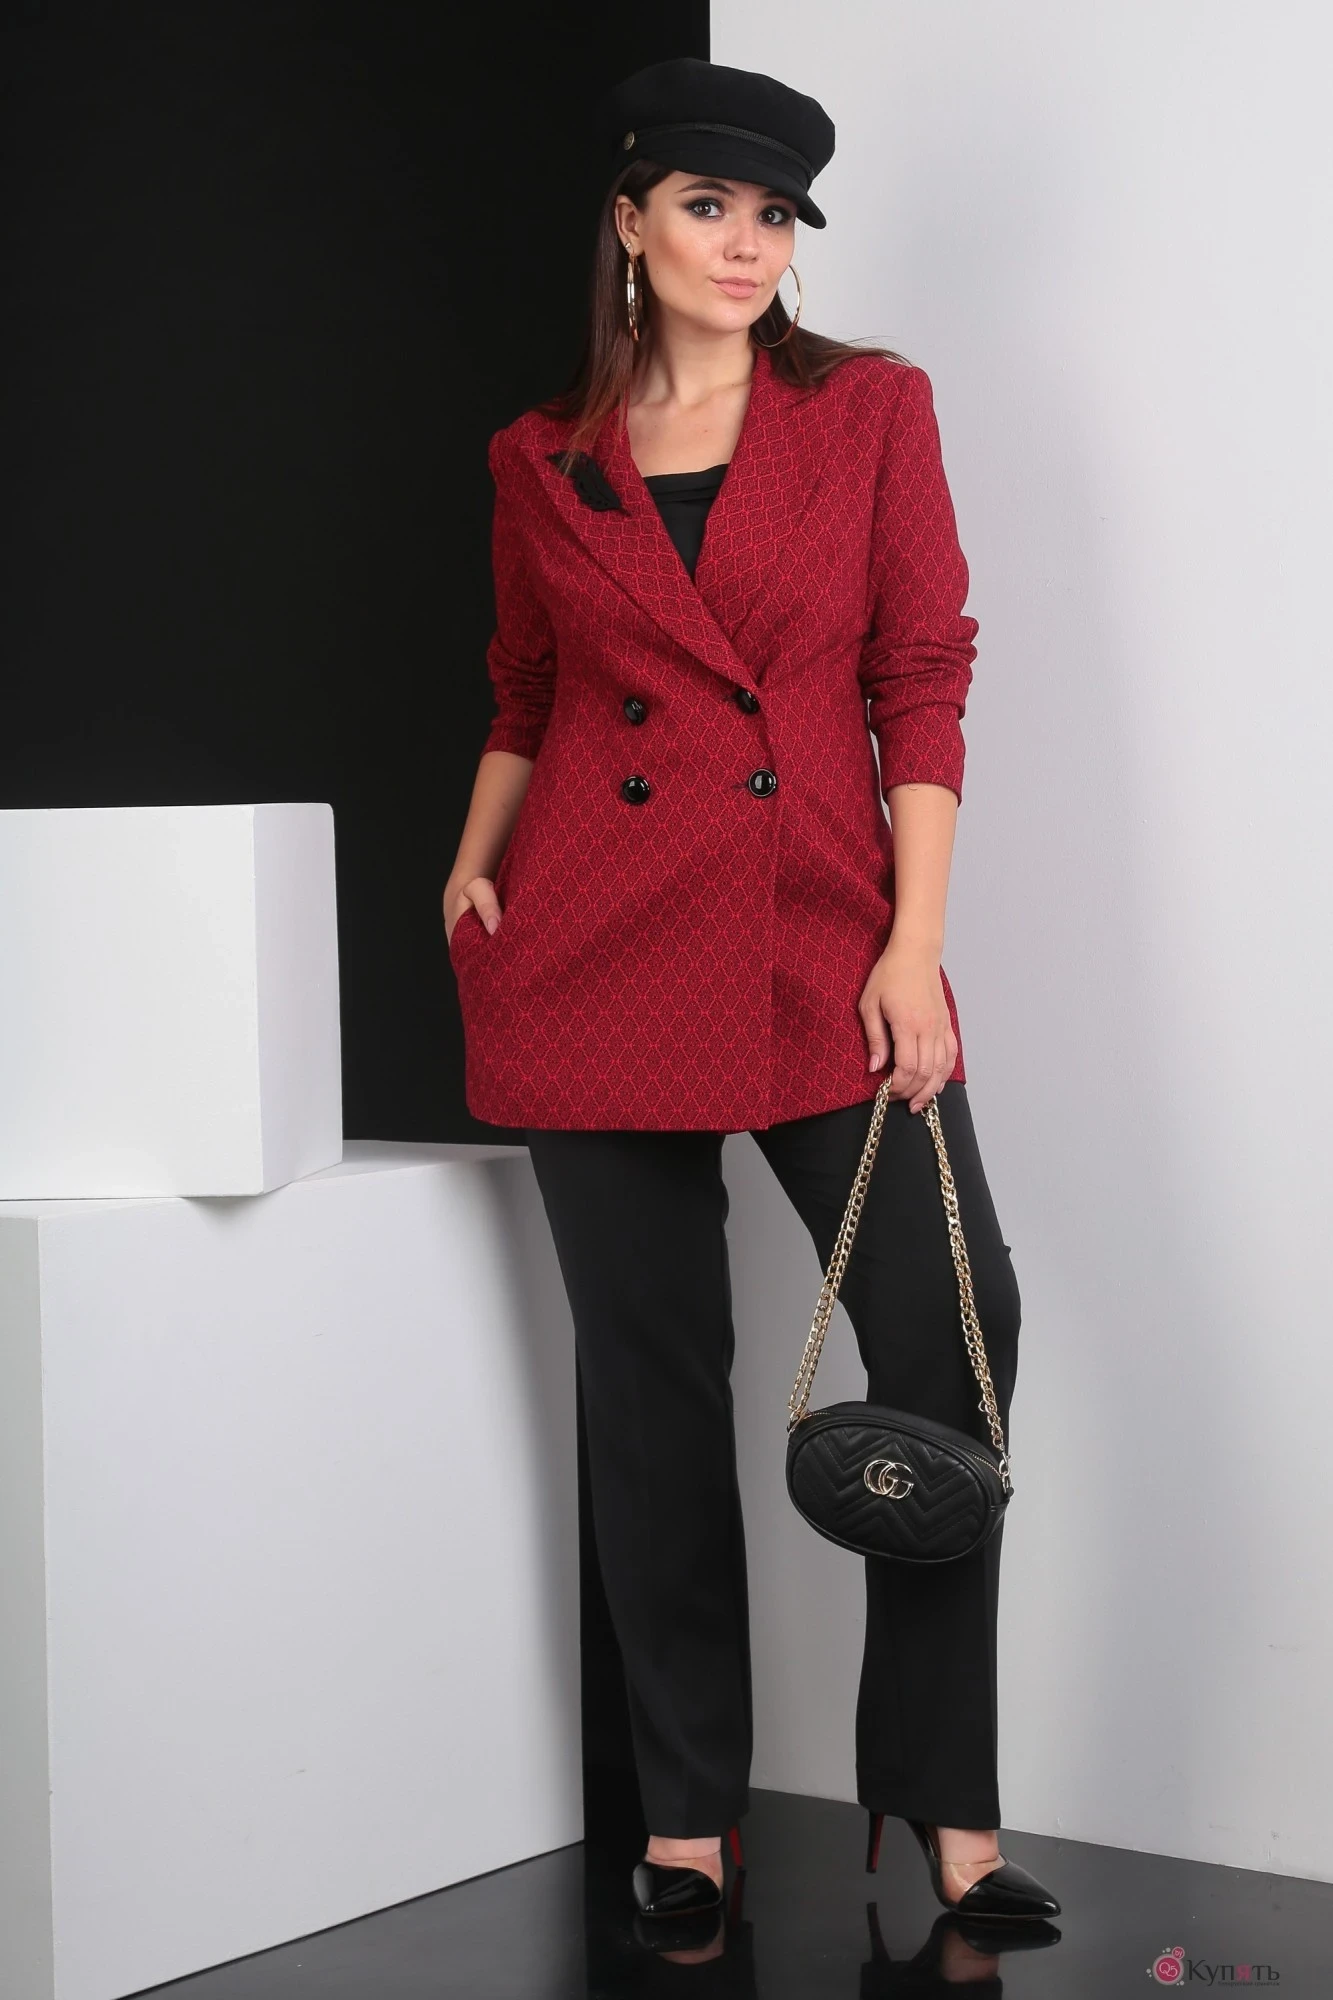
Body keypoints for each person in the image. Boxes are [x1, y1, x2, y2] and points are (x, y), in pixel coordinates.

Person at [443, 55, 1060, 1929]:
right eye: (709, 205)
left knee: (955, 1328)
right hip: (588, 947)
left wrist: (911, 942)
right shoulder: (542, 457)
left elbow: (921, 677)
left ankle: (946, 1805)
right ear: (630, 220)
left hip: (819, 938)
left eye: (775, 215)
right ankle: (689, 1819)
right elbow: (529, 689)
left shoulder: (867, 410)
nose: (746, 244)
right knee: (651, 1392)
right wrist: (473, 856)